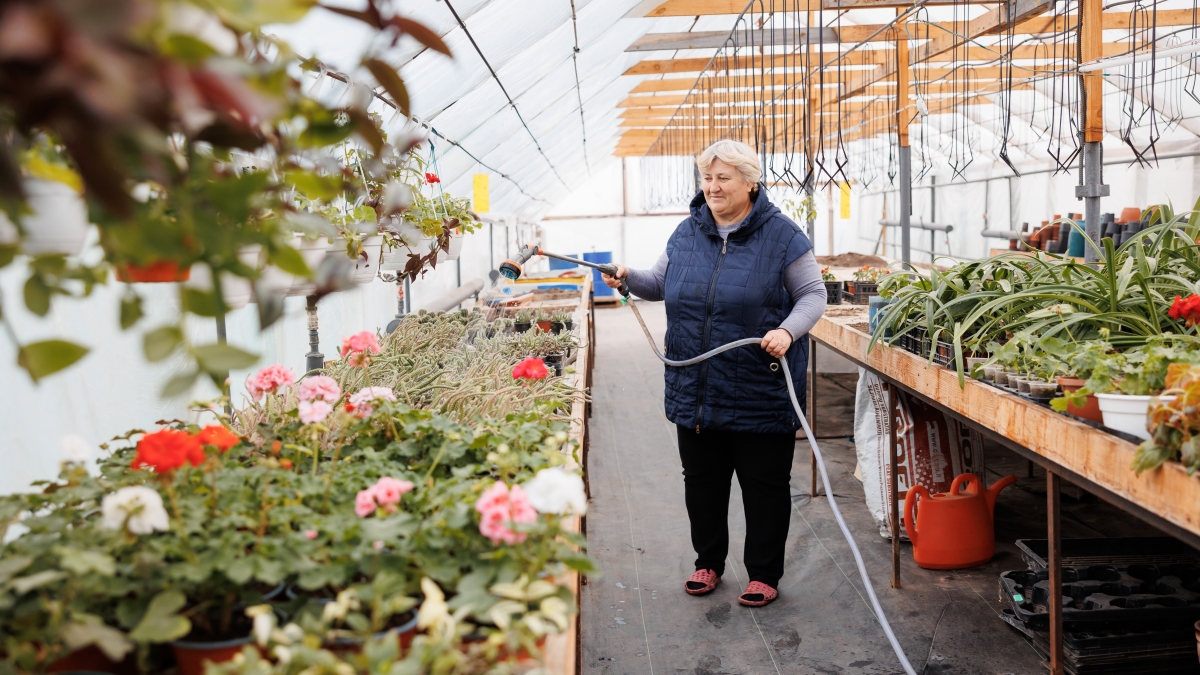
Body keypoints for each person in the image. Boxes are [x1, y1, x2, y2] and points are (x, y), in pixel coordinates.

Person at [601, 140, 826, 608]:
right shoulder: (687, 233)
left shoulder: (783, 236)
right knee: (702, 482)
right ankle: (708, 563)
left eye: (723, 178)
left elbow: (813, 296)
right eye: (707, 178)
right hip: (697, 387)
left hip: (758, 386)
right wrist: (626, 275)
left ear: (750, 182)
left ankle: (763, 574)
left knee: (764, 486)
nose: (713, 187)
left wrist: (787, 331)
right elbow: (660, 284)